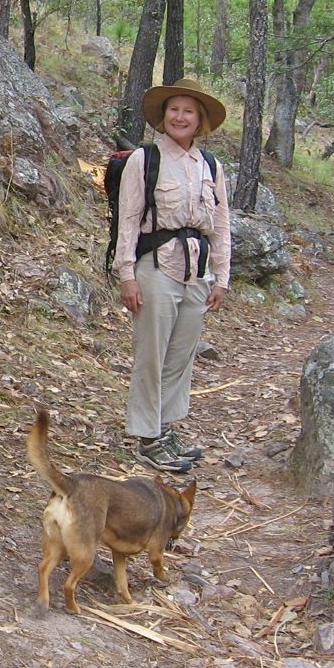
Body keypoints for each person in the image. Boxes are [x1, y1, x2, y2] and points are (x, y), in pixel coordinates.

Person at [113, 78, 231, 473]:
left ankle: (164, 428)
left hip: (196, 274)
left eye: (189, 111)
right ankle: (147, 438)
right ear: (163, 117)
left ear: (200, 122)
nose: (180, 117)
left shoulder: (211, 166)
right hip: (156, 268)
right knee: (152, 353)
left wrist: (222, 277)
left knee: (180, 355)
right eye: (174, 110)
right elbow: (127, 220)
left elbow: (220, 225)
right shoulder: (144, 160)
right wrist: (126, 274)